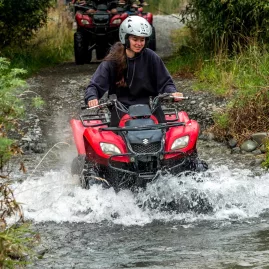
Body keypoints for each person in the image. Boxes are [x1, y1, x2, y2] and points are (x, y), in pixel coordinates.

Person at [85, 16, 183, 126]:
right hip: (121, 108)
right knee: (116, 138)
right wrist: (92, 97)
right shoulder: (113, 60)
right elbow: (95, 85)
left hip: (150, 107)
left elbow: (165, 82)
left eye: (142, 40)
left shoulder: (152, 57)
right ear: (126, 38)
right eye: (135, 39)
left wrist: (172, 92)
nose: (139, 43)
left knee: (165, 132)